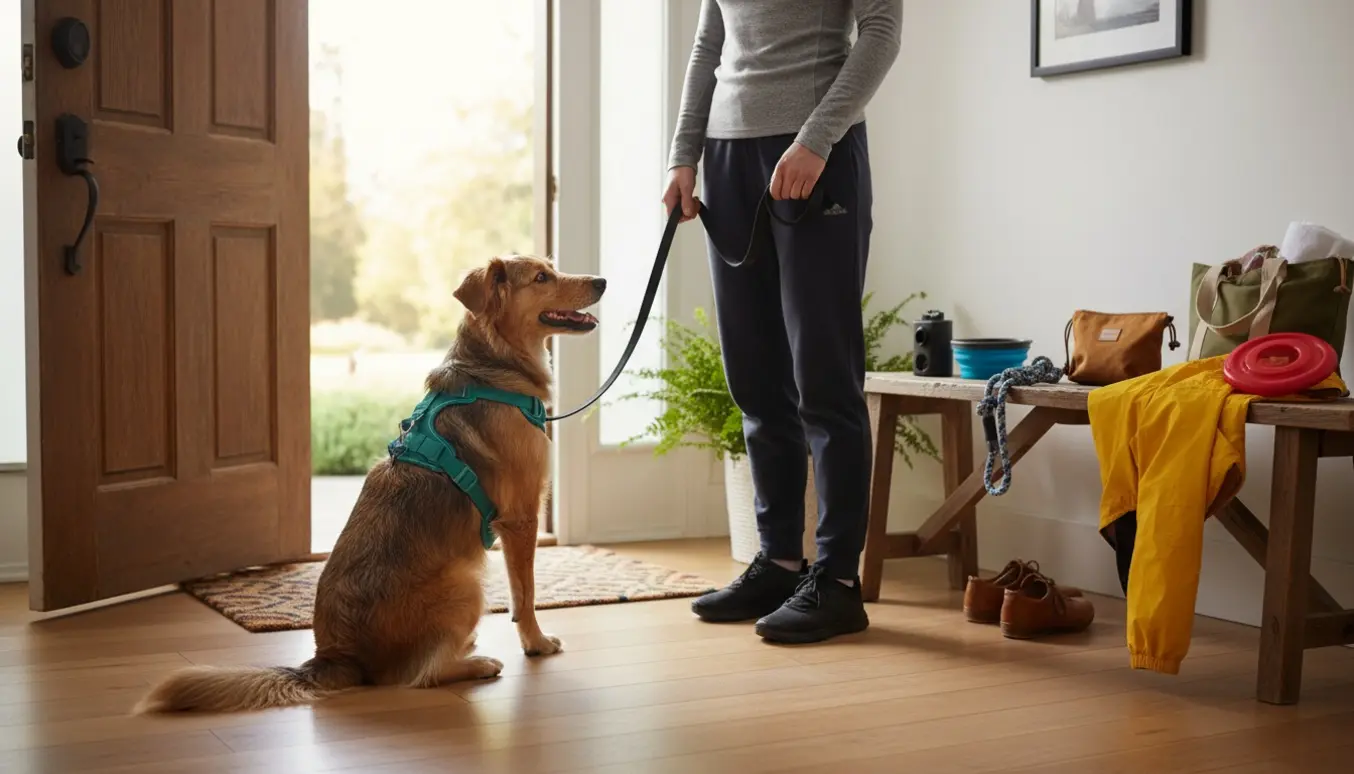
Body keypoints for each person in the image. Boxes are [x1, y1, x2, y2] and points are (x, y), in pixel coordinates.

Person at [663, 0, 903, 644]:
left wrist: (817, 138)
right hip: (729, 156)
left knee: (824, 375)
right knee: (755, 374)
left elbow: (881, 32)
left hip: (815, 156)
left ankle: (838, 582)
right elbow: (709, 44)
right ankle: (778, 562)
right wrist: (684, 153)